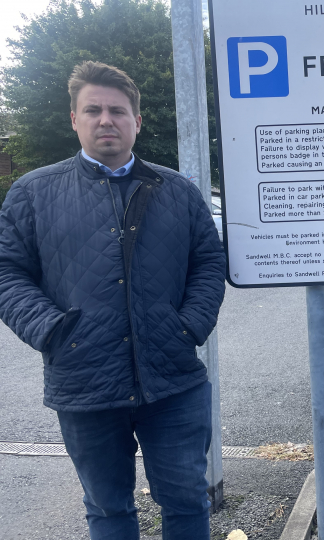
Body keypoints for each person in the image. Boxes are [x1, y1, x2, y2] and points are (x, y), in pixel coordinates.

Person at [0, 61, 226, 539]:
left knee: (187, 497)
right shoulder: (33, 193)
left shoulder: (179, 191)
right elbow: (8, 272)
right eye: (94, 110)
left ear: (136, 121)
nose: (106, 120)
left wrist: (188, 327)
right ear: (74, 119)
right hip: (84, 382)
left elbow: (208, 262)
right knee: (107, 506)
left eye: (118, 111)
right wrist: (54, 331)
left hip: (173, 380)